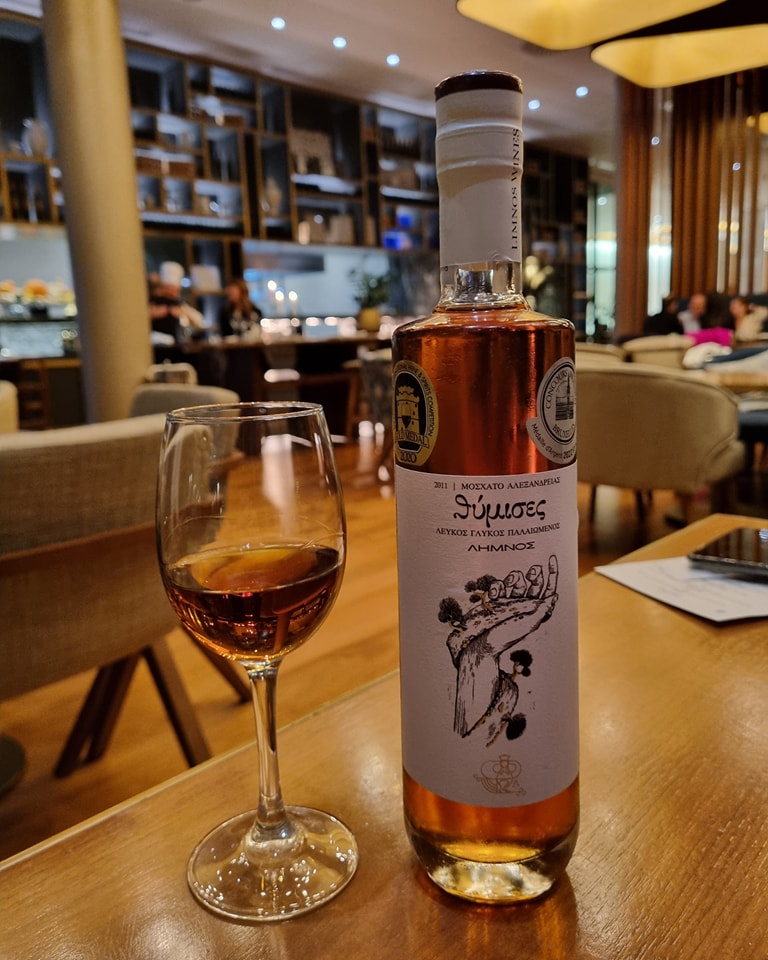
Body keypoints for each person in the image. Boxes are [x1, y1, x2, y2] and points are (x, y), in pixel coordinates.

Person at [148, 261, 205, 343]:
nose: (173, 293)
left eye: (176, 290)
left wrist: (183, 313)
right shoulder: (152, 302)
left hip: (176, 344)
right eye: (169, 289)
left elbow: (199, 321)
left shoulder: (178, 305)